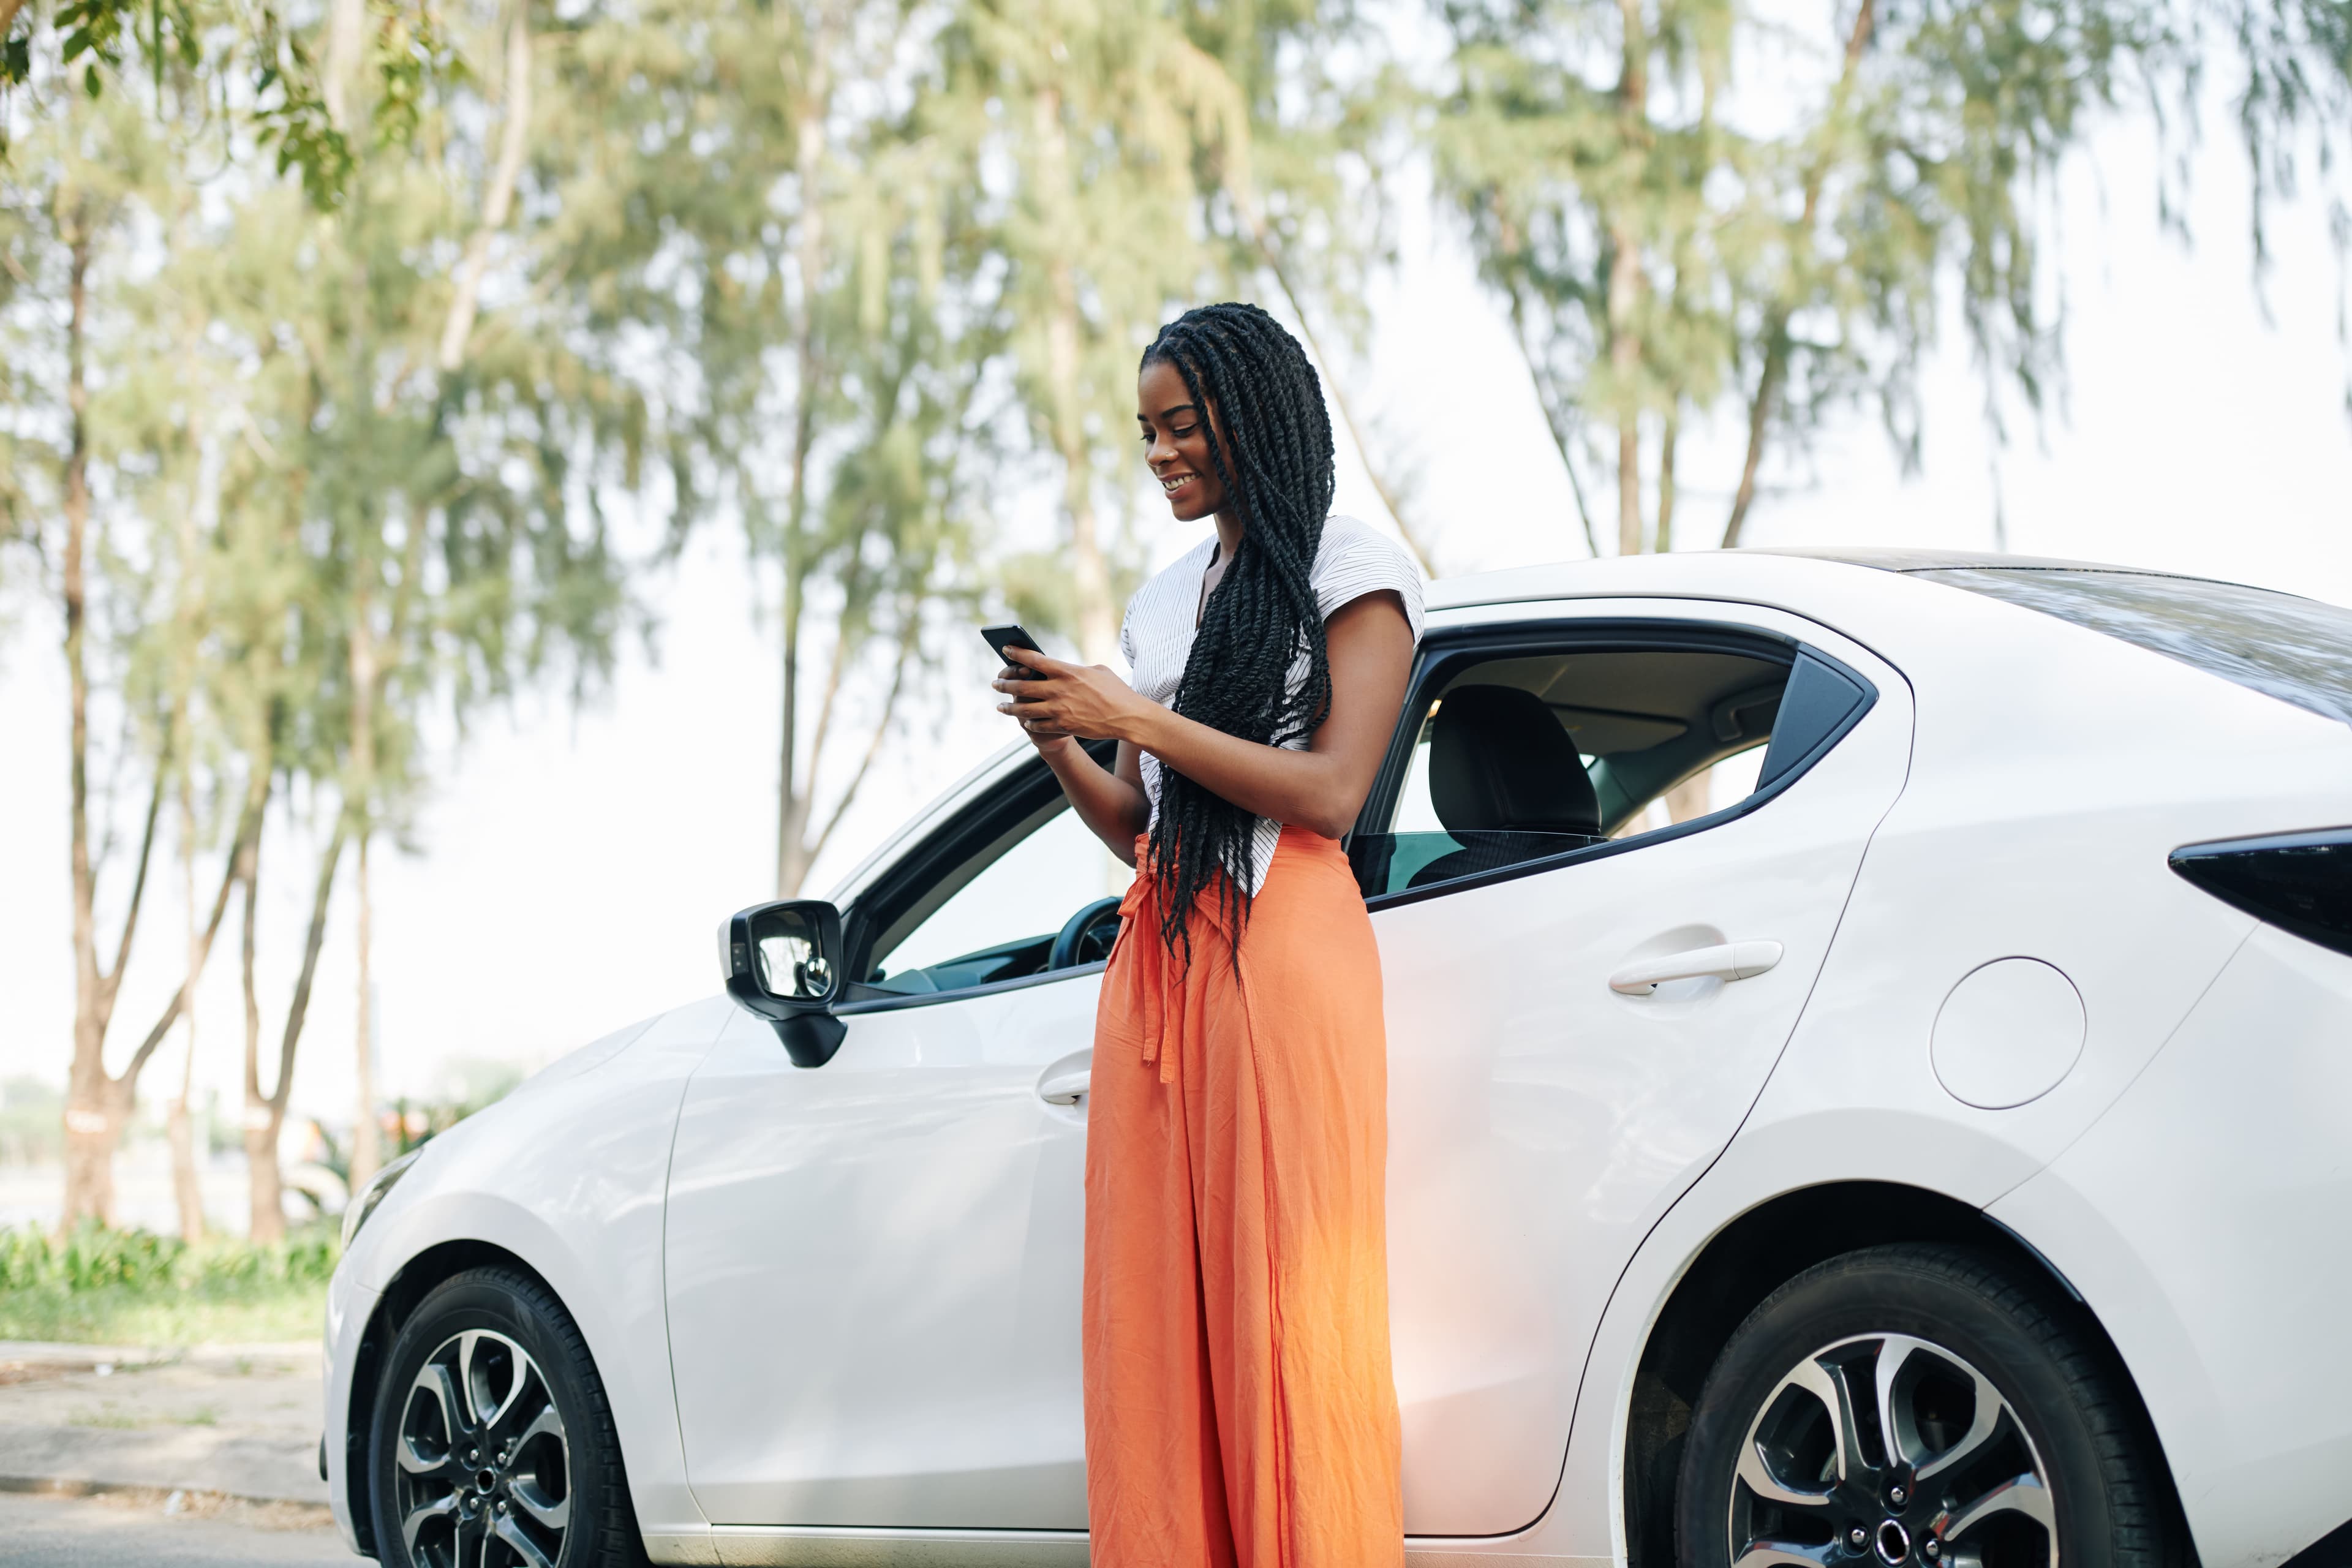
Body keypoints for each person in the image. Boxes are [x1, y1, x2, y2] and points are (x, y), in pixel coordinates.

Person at [992, 301, 1423, 1567]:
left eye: (1183, 423)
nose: (1162, 450)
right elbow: (1141, 826)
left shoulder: (1355, 573)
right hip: (1160, 958)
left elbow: (1335, 790)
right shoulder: (1165, 601)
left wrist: (1142, 711)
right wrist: (1066, 737)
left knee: (1286, 1311)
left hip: (1283, 941)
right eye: (1146, 431)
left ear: (1257, 415)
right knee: (1156, 1316)